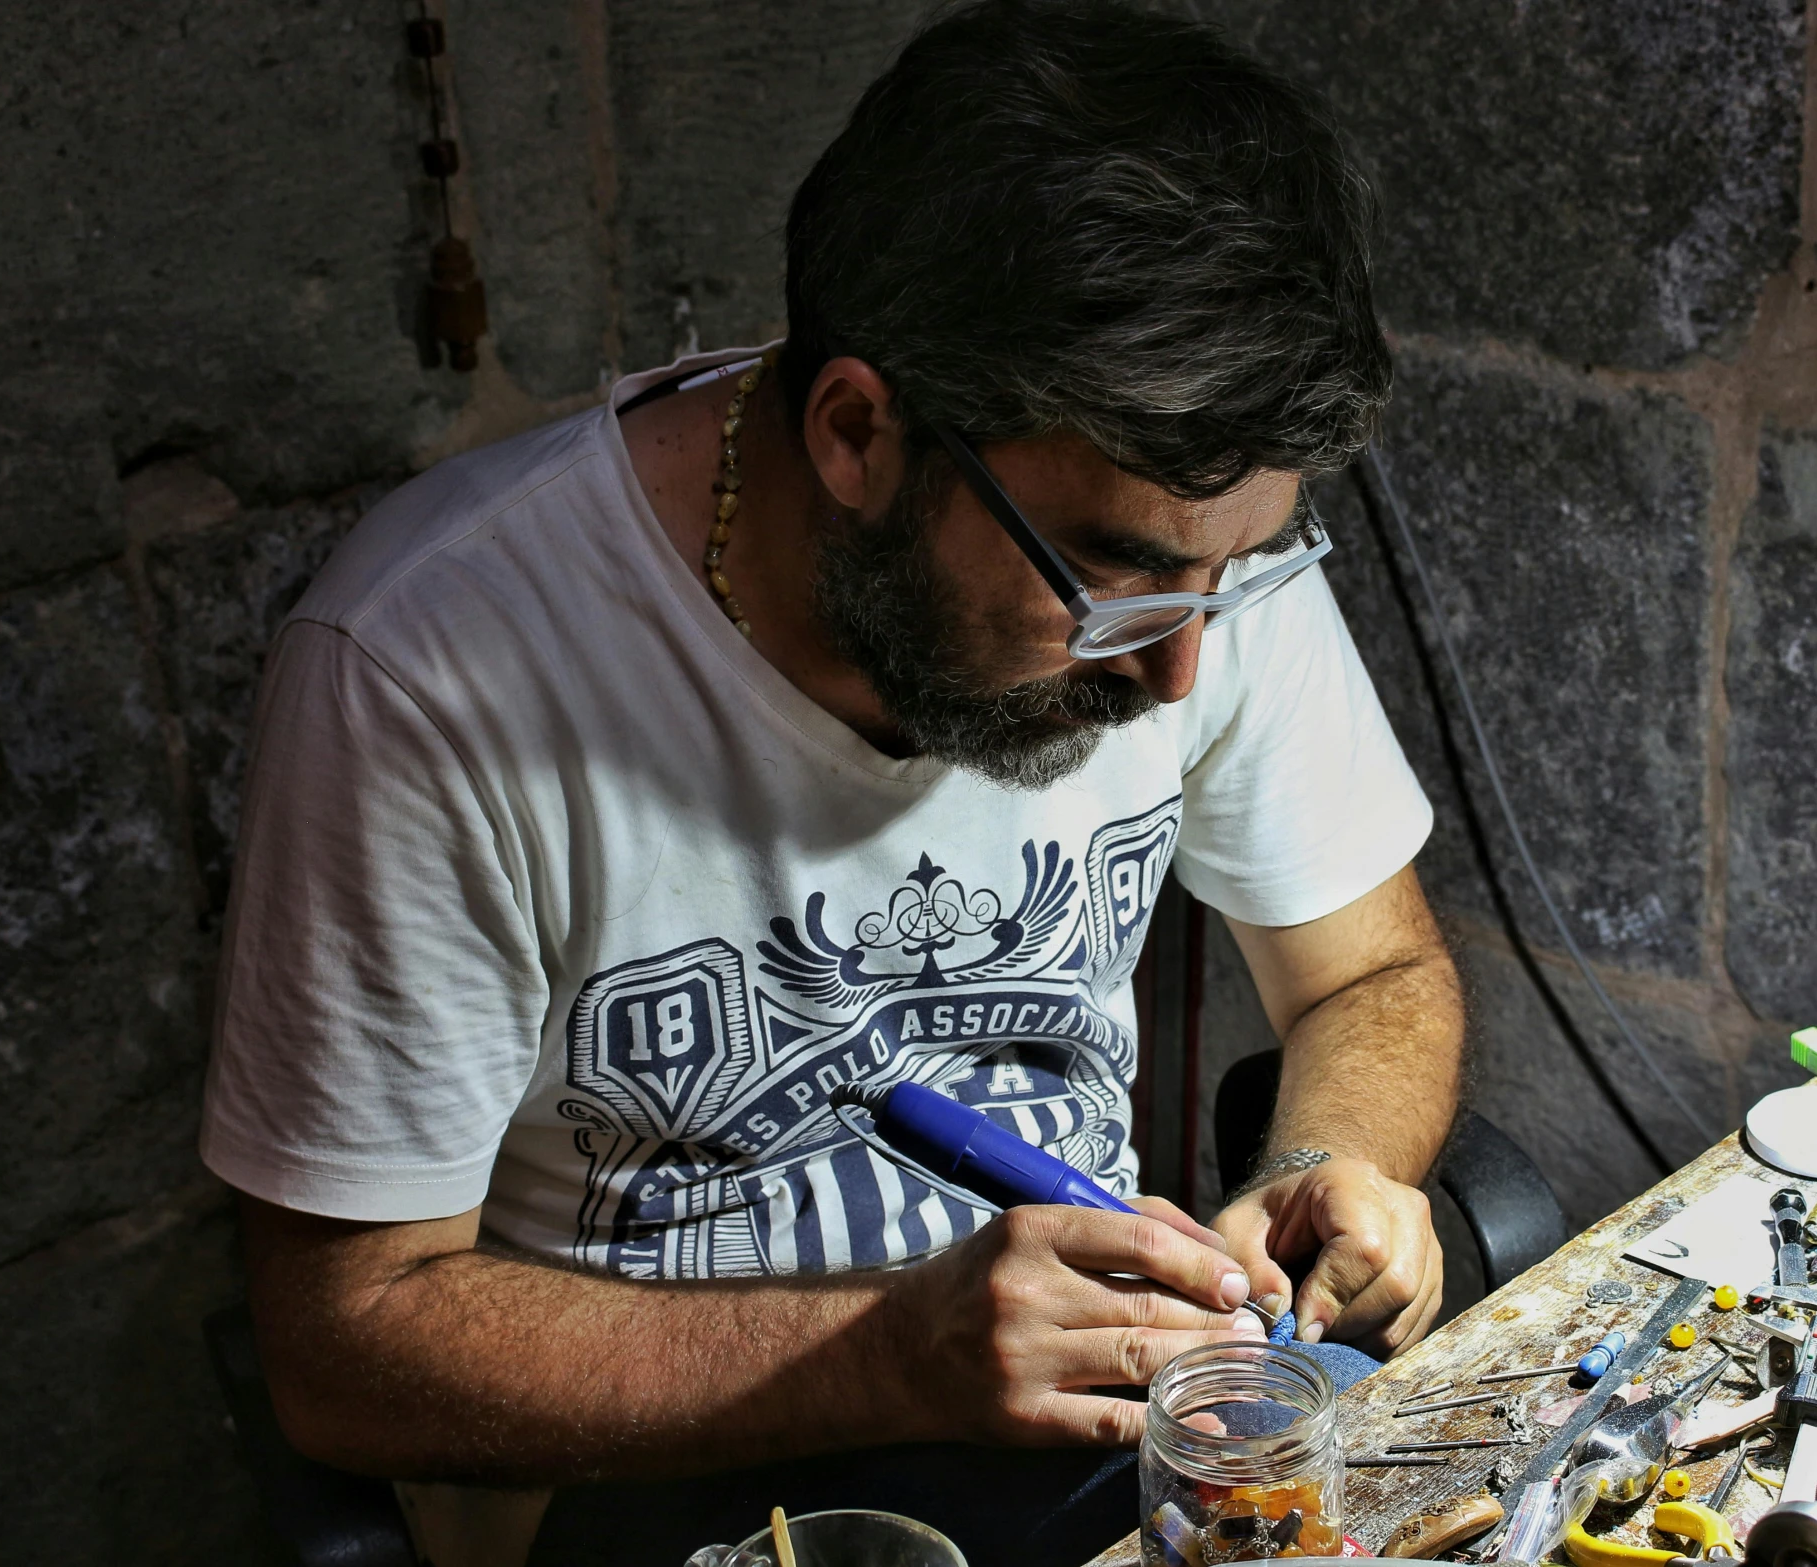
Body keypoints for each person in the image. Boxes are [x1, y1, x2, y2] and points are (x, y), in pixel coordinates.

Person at [200, 3, 1463, 1561]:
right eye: (1121, 585)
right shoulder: (426, 669)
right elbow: (343, 1348)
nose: (1175, 674)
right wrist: (885, 1349)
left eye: (1232, 578)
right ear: (860, 432)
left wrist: (1320, 1163)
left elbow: (1375, 976)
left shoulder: (1182, 554)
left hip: (1097, 1443)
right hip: (655, 1512)